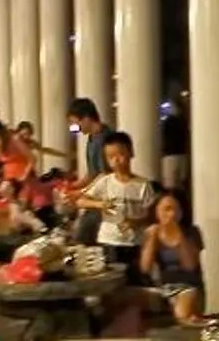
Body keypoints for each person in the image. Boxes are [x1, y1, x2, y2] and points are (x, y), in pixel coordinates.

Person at [73, 131, 154, 264]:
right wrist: (100, 205)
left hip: (135, 242)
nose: (116, 160)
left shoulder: (143, 185)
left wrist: (135, 222)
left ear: (131, 153)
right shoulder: (105, 182)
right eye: (110, 157)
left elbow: (151, 215)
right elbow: (80, 201)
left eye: (120, 154)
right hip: (109, 239)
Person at [140, 189, 208, 323]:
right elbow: (145, 268)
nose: (172, 214)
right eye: (167, 209)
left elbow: (190, 265)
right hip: (163, 288)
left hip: (190, 287)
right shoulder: (152, 232)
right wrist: (153, 238)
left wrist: (179, 237)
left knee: (182, 314)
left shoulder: (192, 232)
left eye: (176, 210)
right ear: (157, 211)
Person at [67, 97, 107, 181]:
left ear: (86, 119)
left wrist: (81, 192)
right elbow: (92, 173)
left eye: (74, 123)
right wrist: (73, 186)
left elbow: (104, 176)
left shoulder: (105, 139)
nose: (73, 128)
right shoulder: (92, 138)